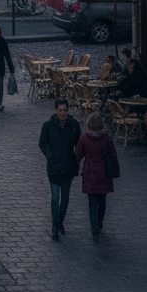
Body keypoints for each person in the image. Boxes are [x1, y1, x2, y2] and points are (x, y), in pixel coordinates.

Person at [39, 98, 82, 240]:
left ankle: (60, 221)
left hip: (68, 165)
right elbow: (43, 143)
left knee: (65, 197)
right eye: (60, 110)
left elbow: (79, 143)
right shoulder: (48, 125)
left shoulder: (74, 125)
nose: (63, 113)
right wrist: (50, 156)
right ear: (56, 110)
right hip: (54, 165)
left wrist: (76, 157)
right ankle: (54, 223)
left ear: (68, 111)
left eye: (65, 110)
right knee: (55, 196)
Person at [75, 112, 117, 243]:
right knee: (102, 200)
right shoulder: (107, 139)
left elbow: (78, 155)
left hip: (90, 173)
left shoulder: (83, 139)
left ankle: (94, 230)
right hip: (103, 172)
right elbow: (113, 154)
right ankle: (99, 223)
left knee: (92, 203)